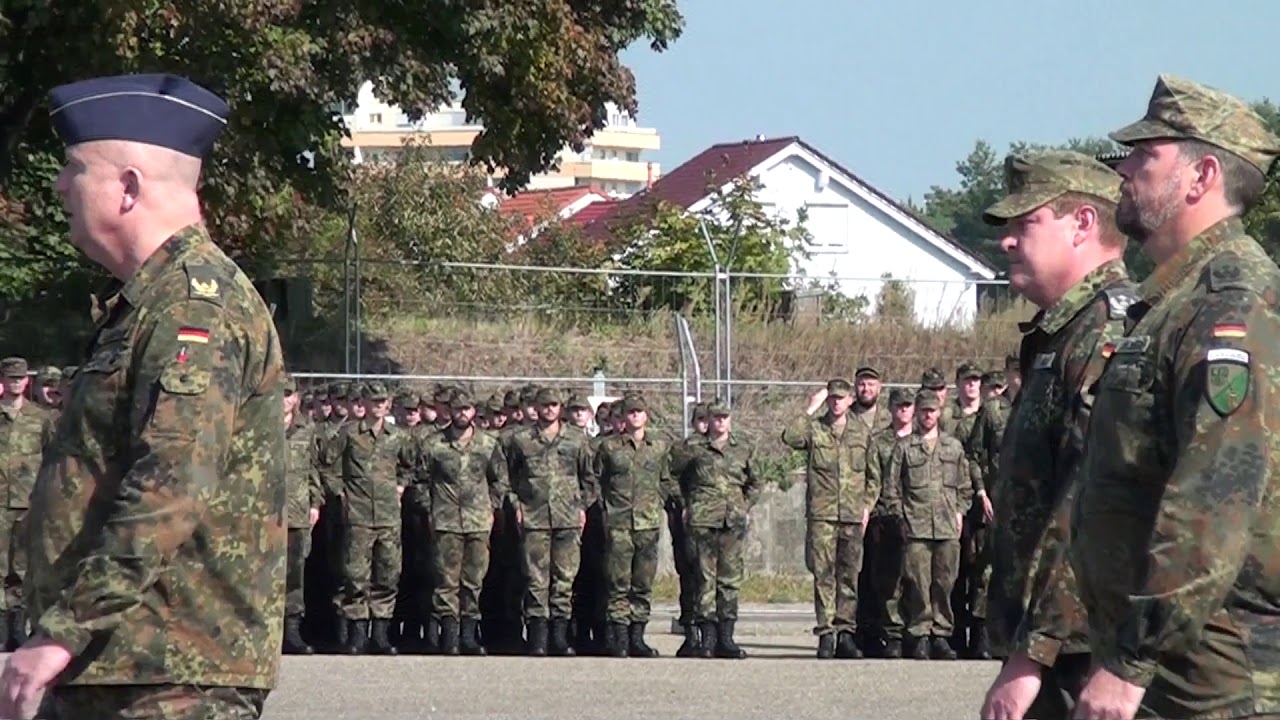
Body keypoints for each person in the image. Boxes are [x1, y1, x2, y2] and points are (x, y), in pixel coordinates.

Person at [1, 73, 287, 720]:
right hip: (121, 666)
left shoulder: (193, 306)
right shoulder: (147, 305)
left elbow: (171, 480)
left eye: (74, 169)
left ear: (127, 188)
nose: (58, 186)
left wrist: (62, 631)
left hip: (167, 678)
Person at [1069, 74, 1280, 720]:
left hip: (1212, 676)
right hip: (1171, 664)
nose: (1123, 170)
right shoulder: (1169, 302)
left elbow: (1215, 491)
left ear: (1201, 175)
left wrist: (1131, 663)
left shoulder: (1229, 303)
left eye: (1144, 156)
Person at [973, 150, 1136, 719]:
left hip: (1083, 652)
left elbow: (1089, 506)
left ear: (1083, 223)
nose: (1008, 241)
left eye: (1026, 222)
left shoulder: (1107, 333)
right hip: (1060, 648)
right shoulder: (1065, 335)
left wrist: (1031, 657)